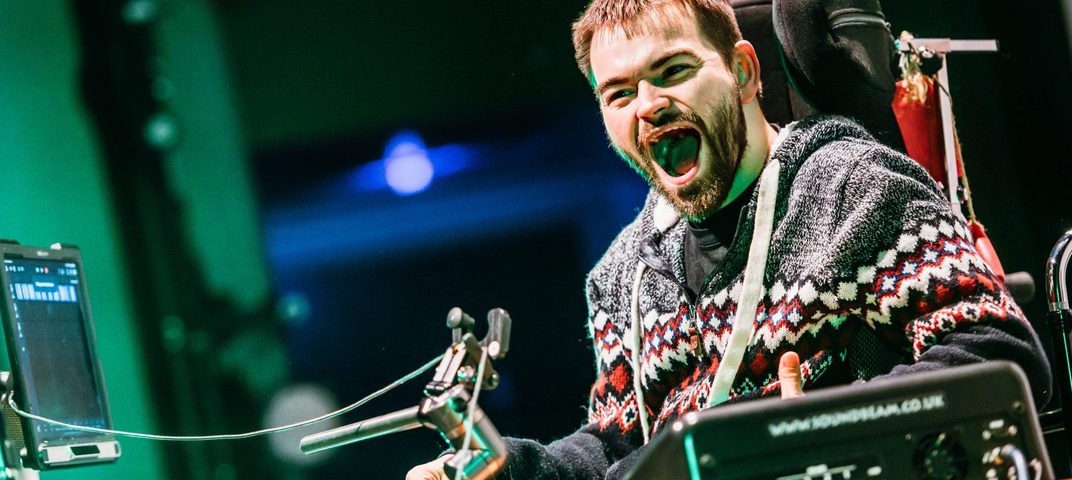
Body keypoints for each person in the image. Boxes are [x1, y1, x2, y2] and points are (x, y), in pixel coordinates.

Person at [408, 0, 1051, 478]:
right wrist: (510, 467)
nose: (648, 105)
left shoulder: (854, 187)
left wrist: (798, 435)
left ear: (744, 72)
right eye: (619, 93)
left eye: (673, 70)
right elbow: (617, 447)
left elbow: (999, 352)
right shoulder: (619, 275)